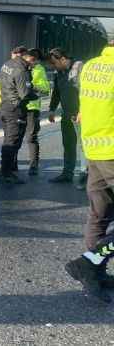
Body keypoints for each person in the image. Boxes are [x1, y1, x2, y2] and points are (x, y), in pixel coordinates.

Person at [64, 41, 114, 303]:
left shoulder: (92, 66)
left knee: (100, 214)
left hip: (94, 148)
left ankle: (95, 273)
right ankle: (89, 263)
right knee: (100, 214)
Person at [0, 46, 37, 184]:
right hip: (15, 109)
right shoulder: (21, 70)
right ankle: (6, 173)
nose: (34, 65)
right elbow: (24, 93)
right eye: (34, 61)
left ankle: (6, 170)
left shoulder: (7, 64)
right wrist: (34, 95)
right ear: (29, 57)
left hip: (4, 105)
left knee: (8, 139)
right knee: (13, 141)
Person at [47, 48, 85, 185]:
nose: (53, 66)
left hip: (82, 114)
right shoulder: (59, 72)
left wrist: (82, 110)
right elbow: (57, 92)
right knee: (68, 145)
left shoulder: (80, 68)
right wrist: (51, 109)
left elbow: (87, 91)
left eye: (54, 63)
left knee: (85, 147)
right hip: (67, 114)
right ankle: (67, 173)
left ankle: (86, 175)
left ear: (63, 59)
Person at [22, 48, 51, 175]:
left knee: (31, 137)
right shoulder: (19, 67)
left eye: (35, 60)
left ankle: (33, 165)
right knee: (14, 137)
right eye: (31, 59)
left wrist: (33, 87)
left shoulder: (39, 70)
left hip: (32, 108)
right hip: (17, 106)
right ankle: (11, 165)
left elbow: (46, 88)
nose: (33, 62)